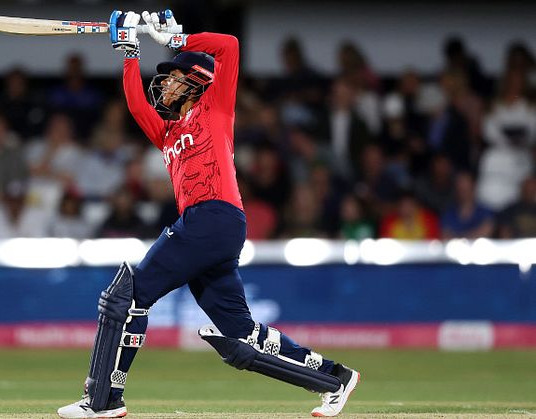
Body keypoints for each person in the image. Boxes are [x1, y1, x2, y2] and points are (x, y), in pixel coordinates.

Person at [57, 10, 360, 419]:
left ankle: (103, 400)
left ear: (197, 81)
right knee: (241, 338)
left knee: (126, 296)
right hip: (213, 227)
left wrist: (179, 41)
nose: (165, 85)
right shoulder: (166, 131)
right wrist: (129, 51)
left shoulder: (215, 107)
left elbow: (229, 46)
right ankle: (334, 378)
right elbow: (134, 103)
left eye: (174, 77)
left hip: (212, 217)